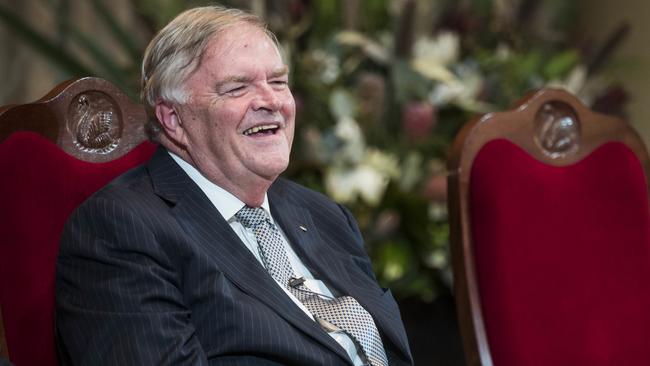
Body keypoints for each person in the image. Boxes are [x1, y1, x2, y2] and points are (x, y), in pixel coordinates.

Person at [55, 5, 413, 366]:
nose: (272, 101)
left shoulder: (325, 215)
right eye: (237, 87)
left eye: (278, 81)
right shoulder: (120, 231)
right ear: (174, 119)